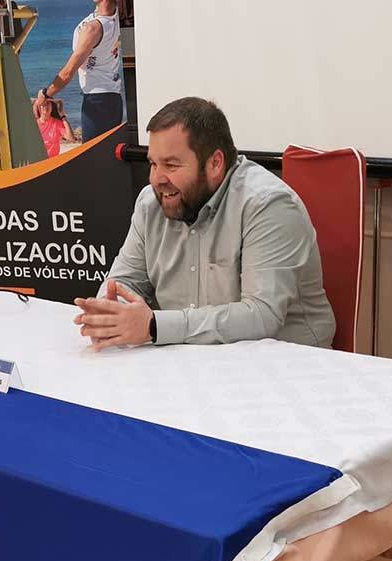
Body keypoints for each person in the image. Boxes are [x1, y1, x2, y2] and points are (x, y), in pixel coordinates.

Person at [73, 97, 336, 351]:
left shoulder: (267, 204)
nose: (157, 178)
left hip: (286, 364)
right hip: (190, 358)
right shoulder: (150, 204)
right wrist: (113, 313)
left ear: (214, 163)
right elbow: (122, 282)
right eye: (153, 164)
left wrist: (155, 326)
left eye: (171, 164)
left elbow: (261, 315)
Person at [35, 0, 122, 142]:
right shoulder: (115, 19)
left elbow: (67, 73)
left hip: (97, 102)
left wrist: (46, 93)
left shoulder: (93, 29)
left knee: (93, 158)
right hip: (113, 98)